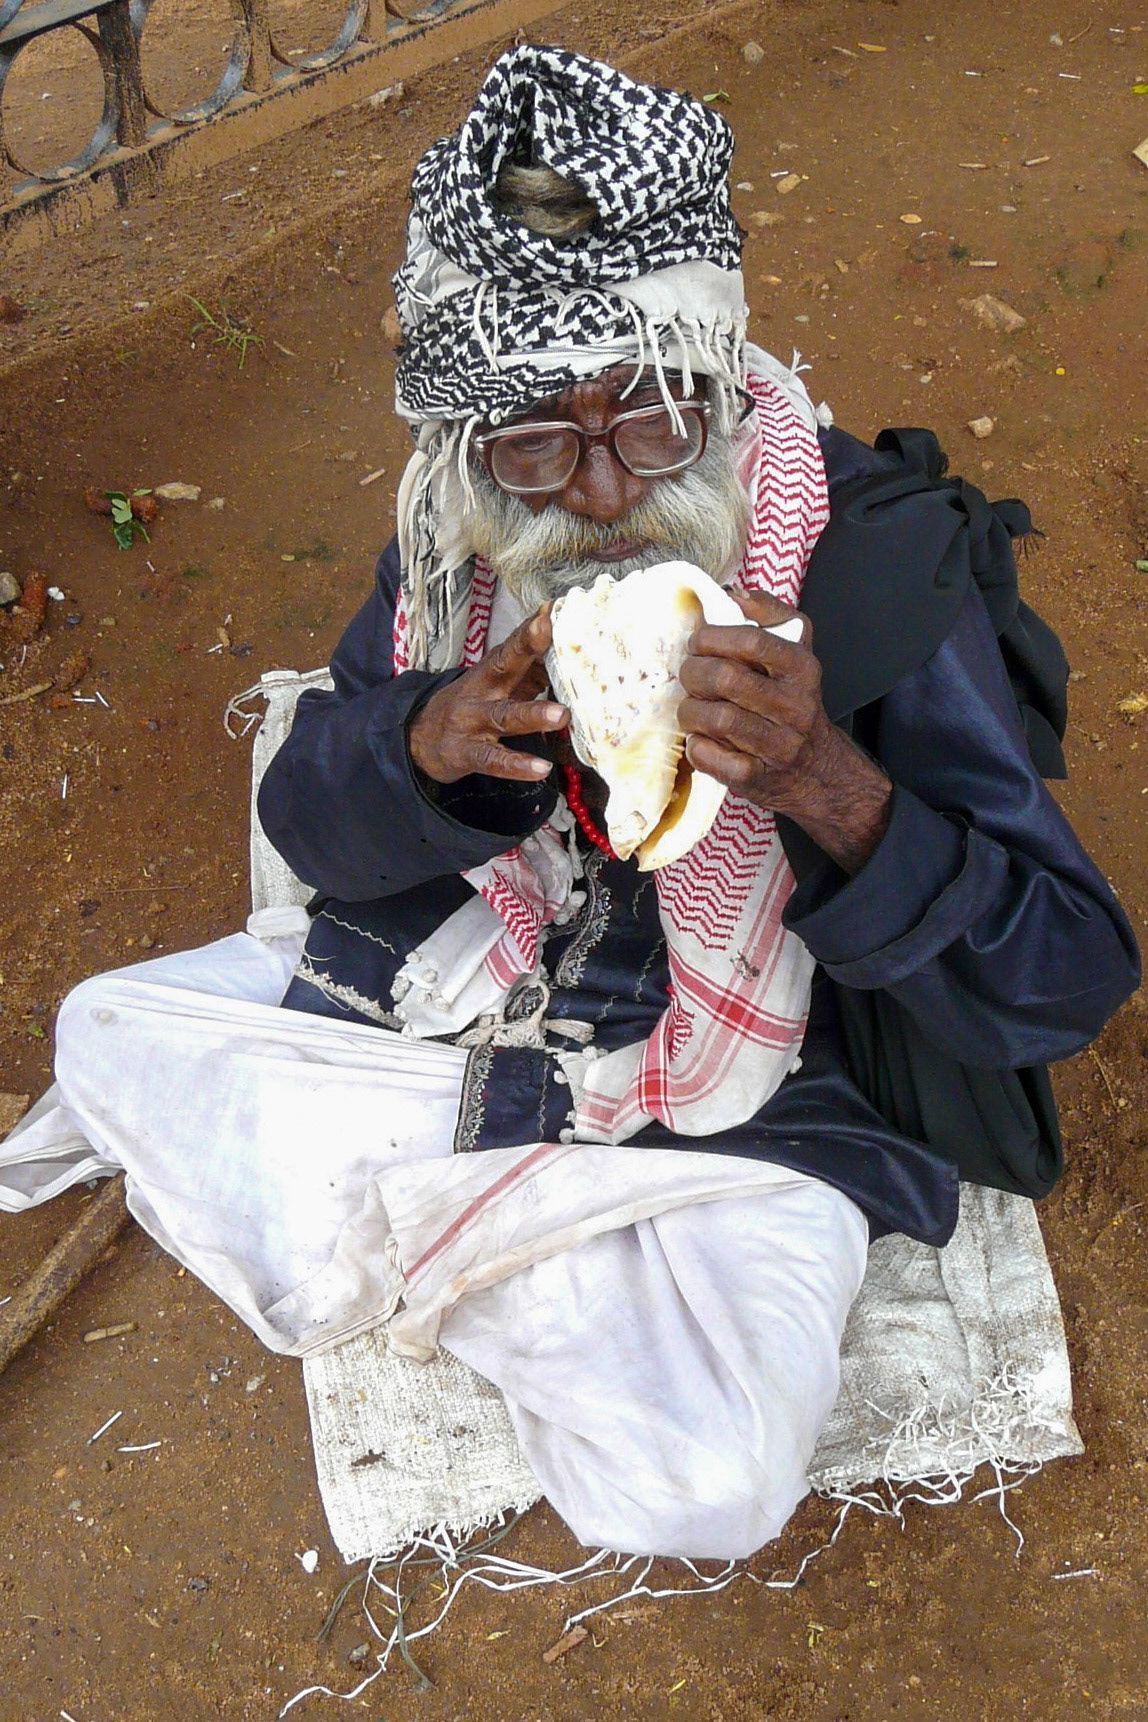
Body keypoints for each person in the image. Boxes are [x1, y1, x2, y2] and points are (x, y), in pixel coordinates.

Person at [3, 48, 1138, 1561]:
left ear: (720, 391)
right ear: (471, 441)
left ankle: (466, 1212)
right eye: (542, 437)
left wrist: (828, 782)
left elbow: (1064, 979)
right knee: (106, 1032)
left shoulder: (869, 567)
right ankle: (522, 1201)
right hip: (505, 997)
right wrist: (423, 743)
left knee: (707, 1480)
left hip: (776, 1105)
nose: (604, 492)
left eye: (655, 425)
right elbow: (316, 825)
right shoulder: (461, 544)